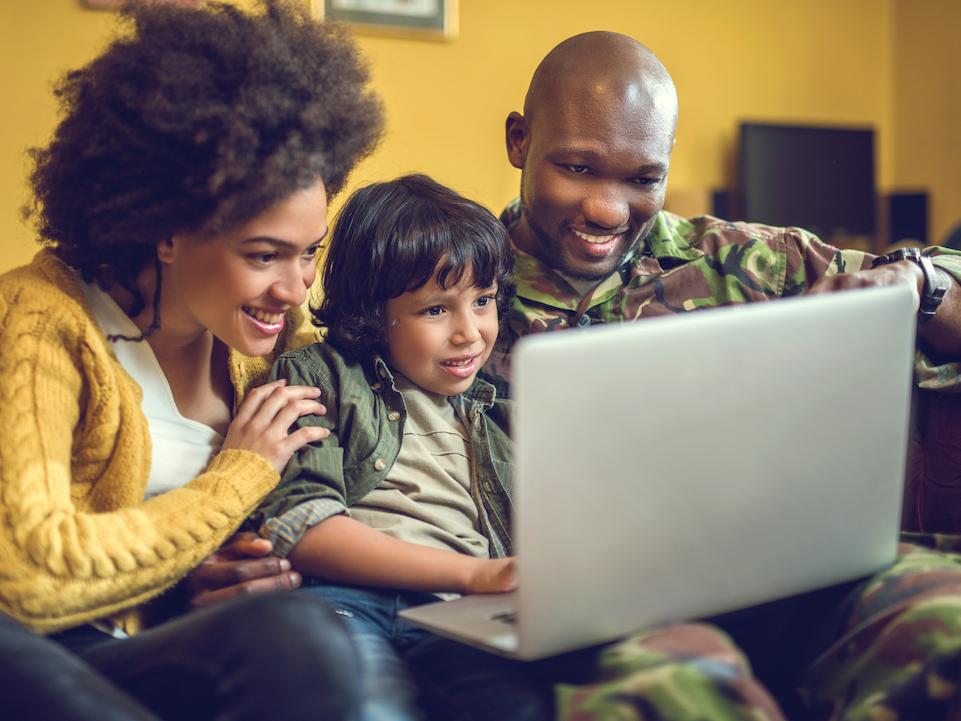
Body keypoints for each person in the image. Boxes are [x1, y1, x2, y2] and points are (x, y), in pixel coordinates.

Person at [475, 30, 961, 721]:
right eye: (578, 168)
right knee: (676, 694)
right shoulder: (447, 289)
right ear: (519, 141)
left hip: (804, 575)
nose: (608, 210)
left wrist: (920, 281)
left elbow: (935, 292)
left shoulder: (744, 261)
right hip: (612, 616)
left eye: (642, 178)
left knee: (946, 619)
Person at [0, 2, 383, 720]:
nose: (293, 288)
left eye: (310, 253)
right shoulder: (41, 323)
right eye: (262, 255)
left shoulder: (266, 346)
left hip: (134, 651)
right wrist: (237, 478)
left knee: (297, 636)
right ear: (165, 230)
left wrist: (202, 585)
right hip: (30, 649)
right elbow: (30, 570)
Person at [245, 174, 551, 721]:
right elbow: (301, 526)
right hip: (346, 602)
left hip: (462, 617)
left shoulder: (497, 411)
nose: (470, 332)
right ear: (371, 310)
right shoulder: (318, 376)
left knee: (519, 707)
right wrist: (474, 575)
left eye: (483, 301)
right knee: (367, 706)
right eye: (436, 310)